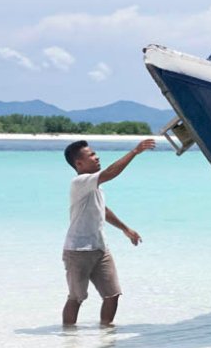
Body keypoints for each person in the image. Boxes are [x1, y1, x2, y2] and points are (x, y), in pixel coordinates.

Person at [61, 137, 154, 328]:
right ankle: (69, 338)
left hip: (100, 248)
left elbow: (103, 210)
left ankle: (107, 335)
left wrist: (126, 229)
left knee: (113, 294)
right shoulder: (80, 182)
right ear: (79, 163)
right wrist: (134, 152)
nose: (96, 157)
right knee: (76, 298)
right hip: (78, 250)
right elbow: (111, 173)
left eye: (95, 153)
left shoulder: (94, 186)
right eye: (91, 155)